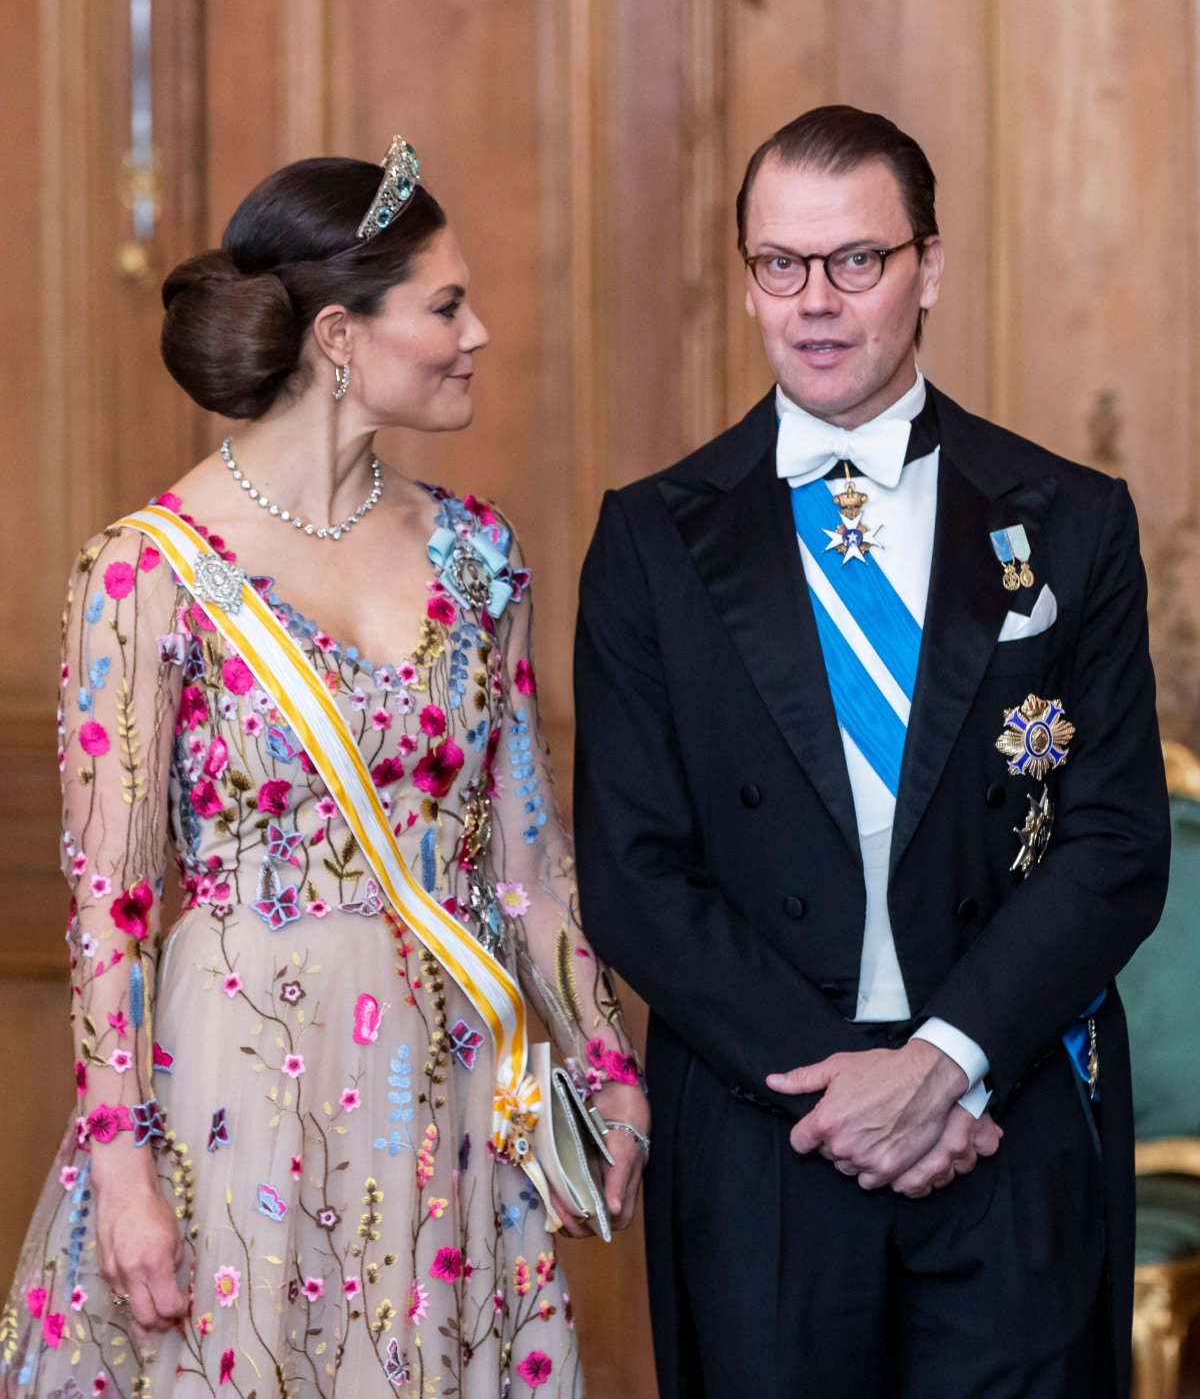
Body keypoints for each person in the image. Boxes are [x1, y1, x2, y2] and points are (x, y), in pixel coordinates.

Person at [1, 137, 648, 1398]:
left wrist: (609, 1070)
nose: (479, 334)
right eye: (448, 305)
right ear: (342, 336)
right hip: (239, 1094)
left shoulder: (476, 551)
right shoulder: (146, 575)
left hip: (457, 1085)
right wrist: (123, 1165)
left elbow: (528, 854)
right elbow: (110, 909)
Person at [573, 105, 1169, 1398]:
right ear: (747, 281)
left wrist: (940, 1063)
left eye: (858, 260)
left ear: (929, 267)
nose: (816, 302)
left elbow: (1117, 843)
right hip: (766, 1128)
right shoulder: (651, 543)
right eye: (780, 264)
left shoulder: (1070, 521)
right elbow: (634, 874)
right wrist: (848, 1090)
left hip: (1003, 1113)